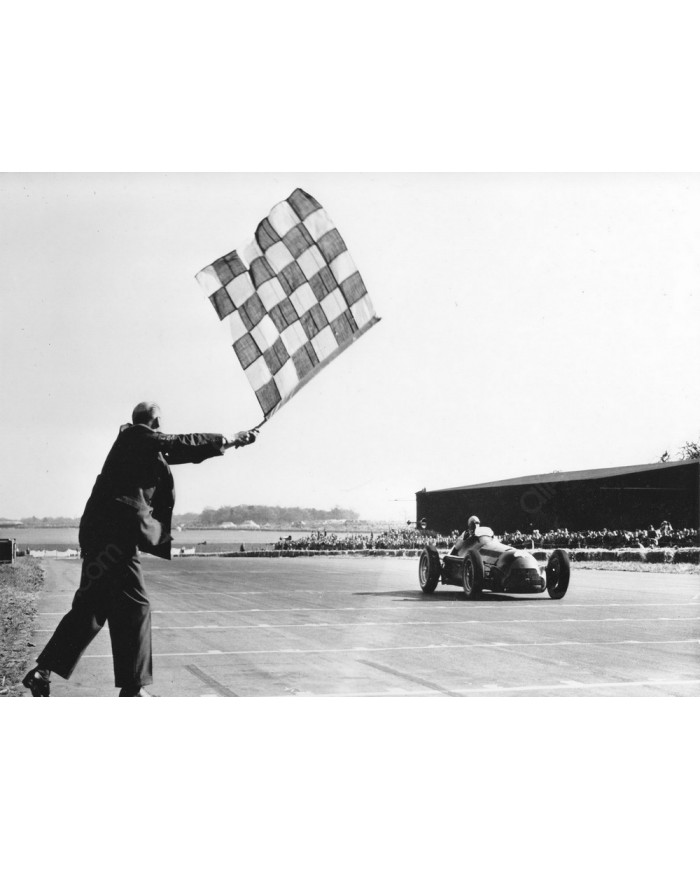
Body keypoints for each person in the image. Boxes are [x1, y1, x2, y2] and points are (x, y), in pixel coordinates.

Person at [22, 401, 257, 697]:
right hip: (114, 536)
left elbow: (183, 451)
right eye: (160, 422)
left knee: (93, 607)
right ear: (154, 421)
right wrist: (229, 439)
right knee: (134, 606)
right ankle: (132, 688)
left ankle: (43, 671)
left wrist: (232, 443)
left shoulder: (139, 446)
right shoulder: (135, 436)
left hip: (105, 535)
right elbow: (178, 444)